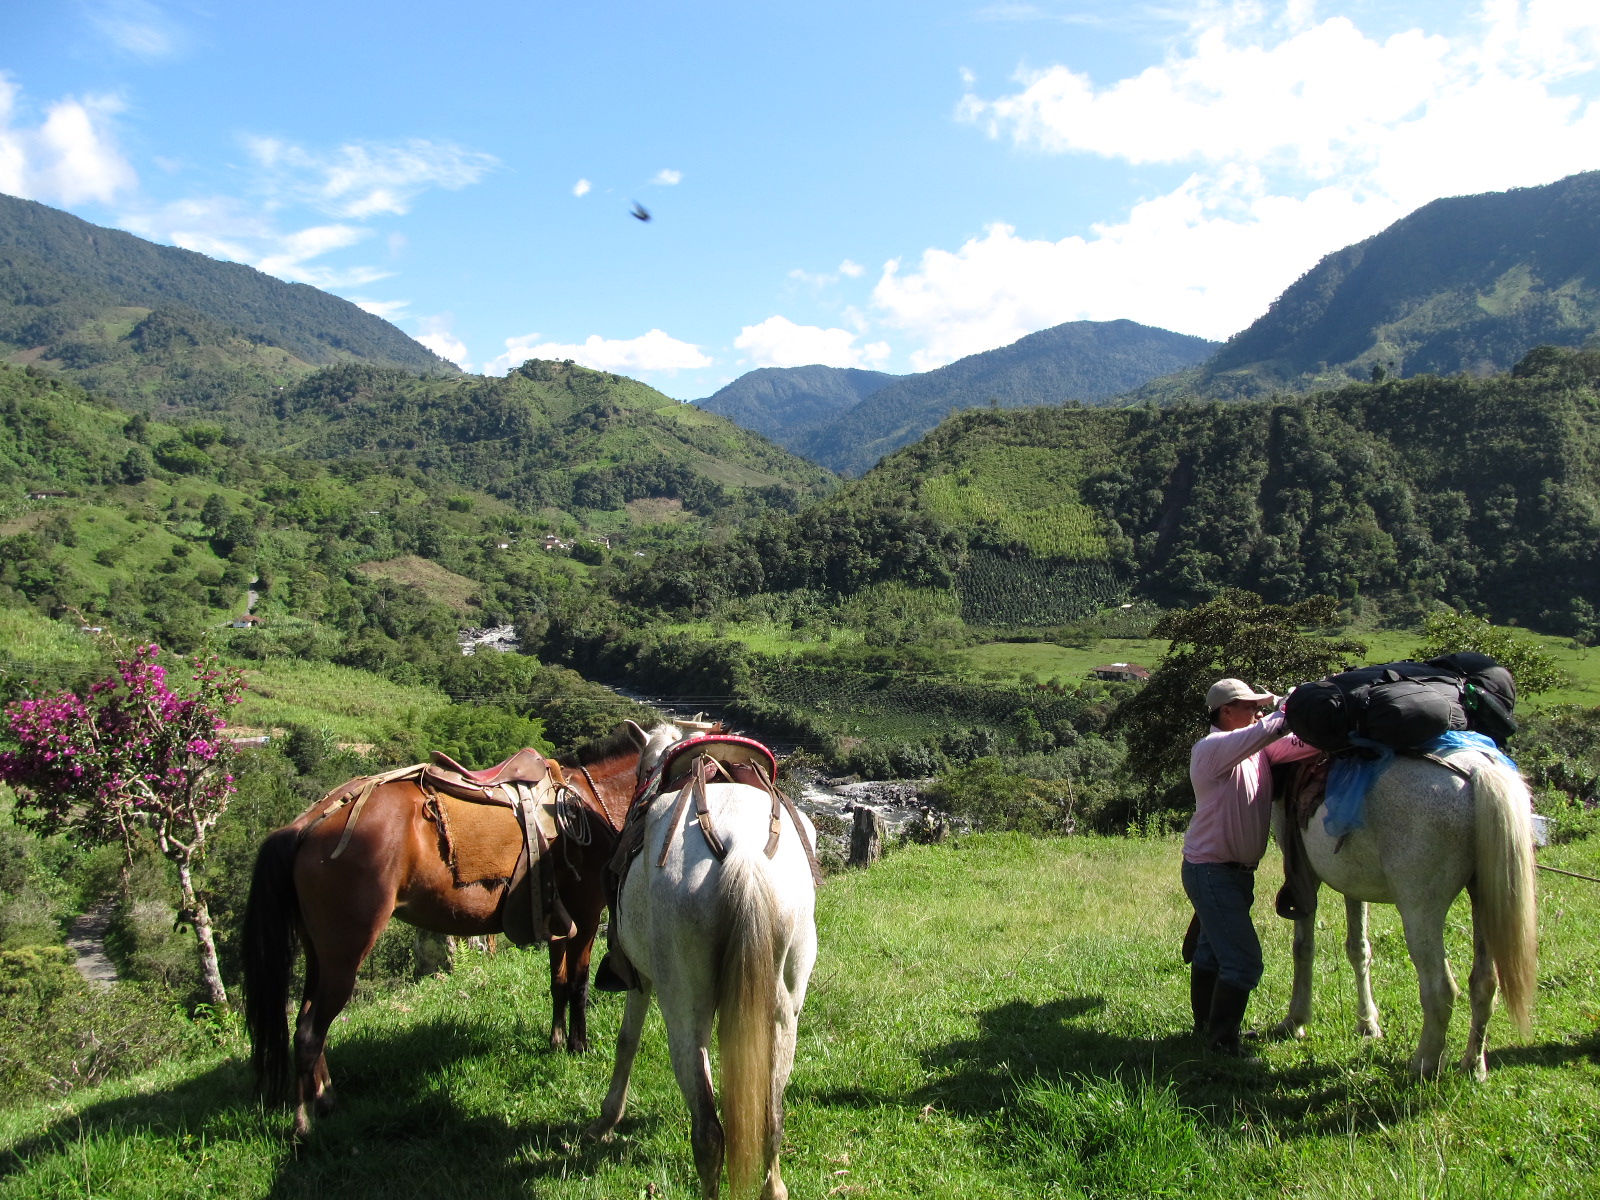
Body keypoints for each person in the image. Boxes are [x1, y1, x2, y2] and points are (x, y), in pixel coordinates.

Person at [1183, 678, 1319, 1059]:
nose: (1259, 712)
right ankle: (1223, 1045)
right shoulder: (1212, 748)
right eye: (1251, 706)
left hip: (1233, 873)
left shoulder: (1254, 749)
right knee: (1243, 962)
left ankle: (1207, 1028)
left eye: (1260, 707)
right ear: (1227, 711)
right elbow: (1273, 726)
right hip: (1211, 871)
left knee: (1211, 951)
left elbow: (1302, 744)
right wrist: (1289, 703)